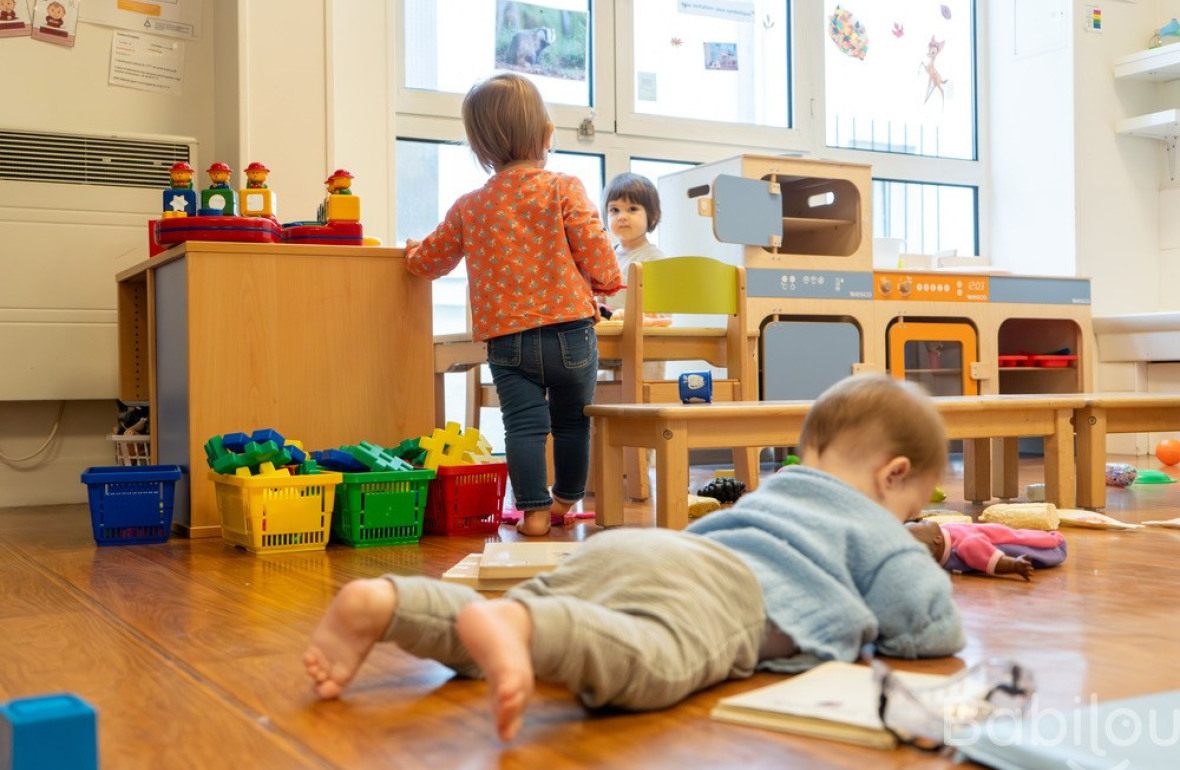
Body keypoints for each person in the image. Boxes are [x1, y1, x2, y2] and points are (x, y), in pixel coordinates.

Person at [303, 374, 965, 742]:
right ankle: (519, 630)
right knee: (650, 658)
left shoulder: (780, 488)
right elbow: (927, 626)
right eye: (910, 507)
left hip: (644, 550)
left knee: (515, 613)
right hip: (723, 597)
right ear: (894, 475)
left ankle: (392, 604)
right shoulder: (877, 529)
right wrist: (927, 545)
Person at [402, 73, 621, 537]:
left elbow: (429, 263)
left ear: (480, 147)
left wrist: (412, 251)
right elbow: (595, 246)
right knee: (571, 423)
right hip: (570, 333)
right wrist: (606, 282)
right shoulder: (563, 187)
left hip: (508, 341)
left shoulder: (470, 206)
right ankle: (565, 500)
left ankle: (535, 514)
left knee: (522, 427)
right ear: (546, 135)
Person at [907, 519, 1067, 581]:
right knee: (1022, 537)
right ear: (937, 539)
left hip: (988, 531)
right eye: (919, 524)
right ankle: (1055, 542)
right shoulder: (967, 545)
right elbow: (991, 560)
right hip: (1000, 539)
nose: (921, 520)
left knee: (1017, 533)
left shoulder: (942, 535)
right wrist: (1014, 564)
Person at [600, 172, 665, 320]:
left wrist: (627, 316)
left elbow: (661, 315)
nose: (622, 217)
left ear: (652, 216)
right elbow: (601, 303)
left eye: (632, 209)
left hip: (644, 338)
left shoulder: (654, 259)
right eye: (614, 210)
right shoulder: (606, 257)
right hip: (611, 335)